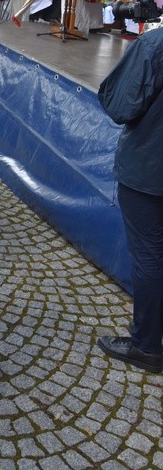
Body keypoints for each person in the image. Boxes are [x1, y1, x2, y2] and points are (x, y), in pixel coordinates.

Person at [97, 28, 163, 374]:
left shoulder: (155, 45)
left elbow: (119, 105)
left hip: (151, 172)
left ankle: (147, 346)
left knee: (150, 257)